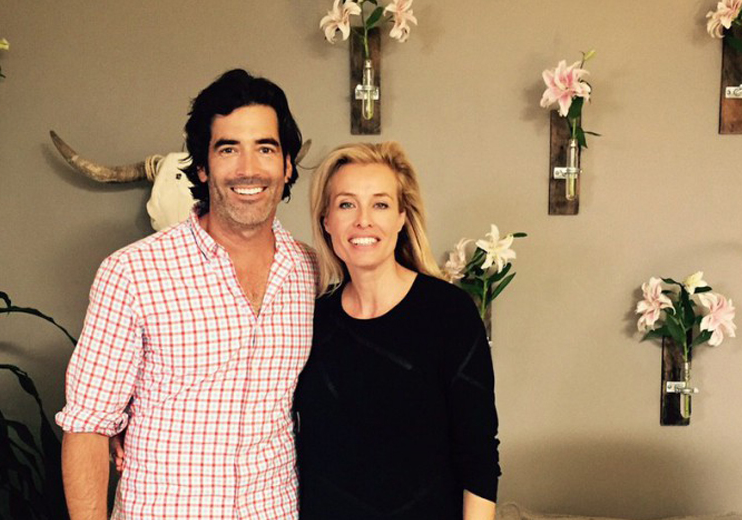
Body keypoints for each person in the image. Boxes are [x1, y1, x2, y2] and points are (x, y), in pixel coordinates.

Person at [57, 69, 317, 520]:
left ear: (287, 165)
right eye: (228, 149)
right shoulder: (132, 273)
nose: (249, 168)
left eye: (266, 148)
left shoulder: (311, 271)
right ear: (201, 166)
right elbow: (88, 426)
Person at [293, 142, 500, 520]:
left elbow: (479, 457)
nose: (363, 221)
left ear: (402, 217)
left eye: (381, 204)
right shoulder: (309, 318)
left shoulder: (448, 313)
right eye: (346, 204)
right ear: (326, 220)